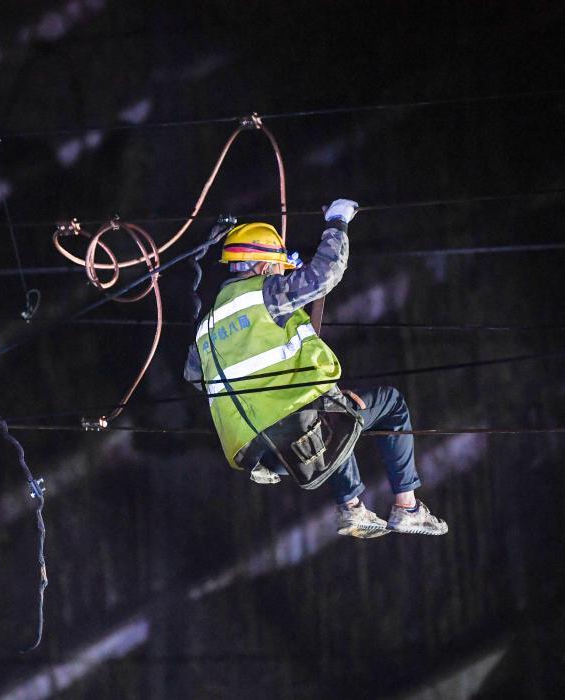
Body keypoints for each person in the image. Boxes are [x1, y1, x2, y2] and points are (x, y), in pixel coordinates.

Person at [184, 199, 448, 538]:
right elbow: (325, 274)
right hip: (295, 435)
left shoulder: (206, 328)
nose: (281, 273)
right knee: (389, 404)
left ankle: (352, 508)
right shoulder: (266, 294)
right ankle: (408, 508)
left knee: (331, 413)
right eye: (277, 267)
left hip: (261, 457)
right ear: (263, 266)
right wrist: (337, 222)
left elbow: (196, 377)